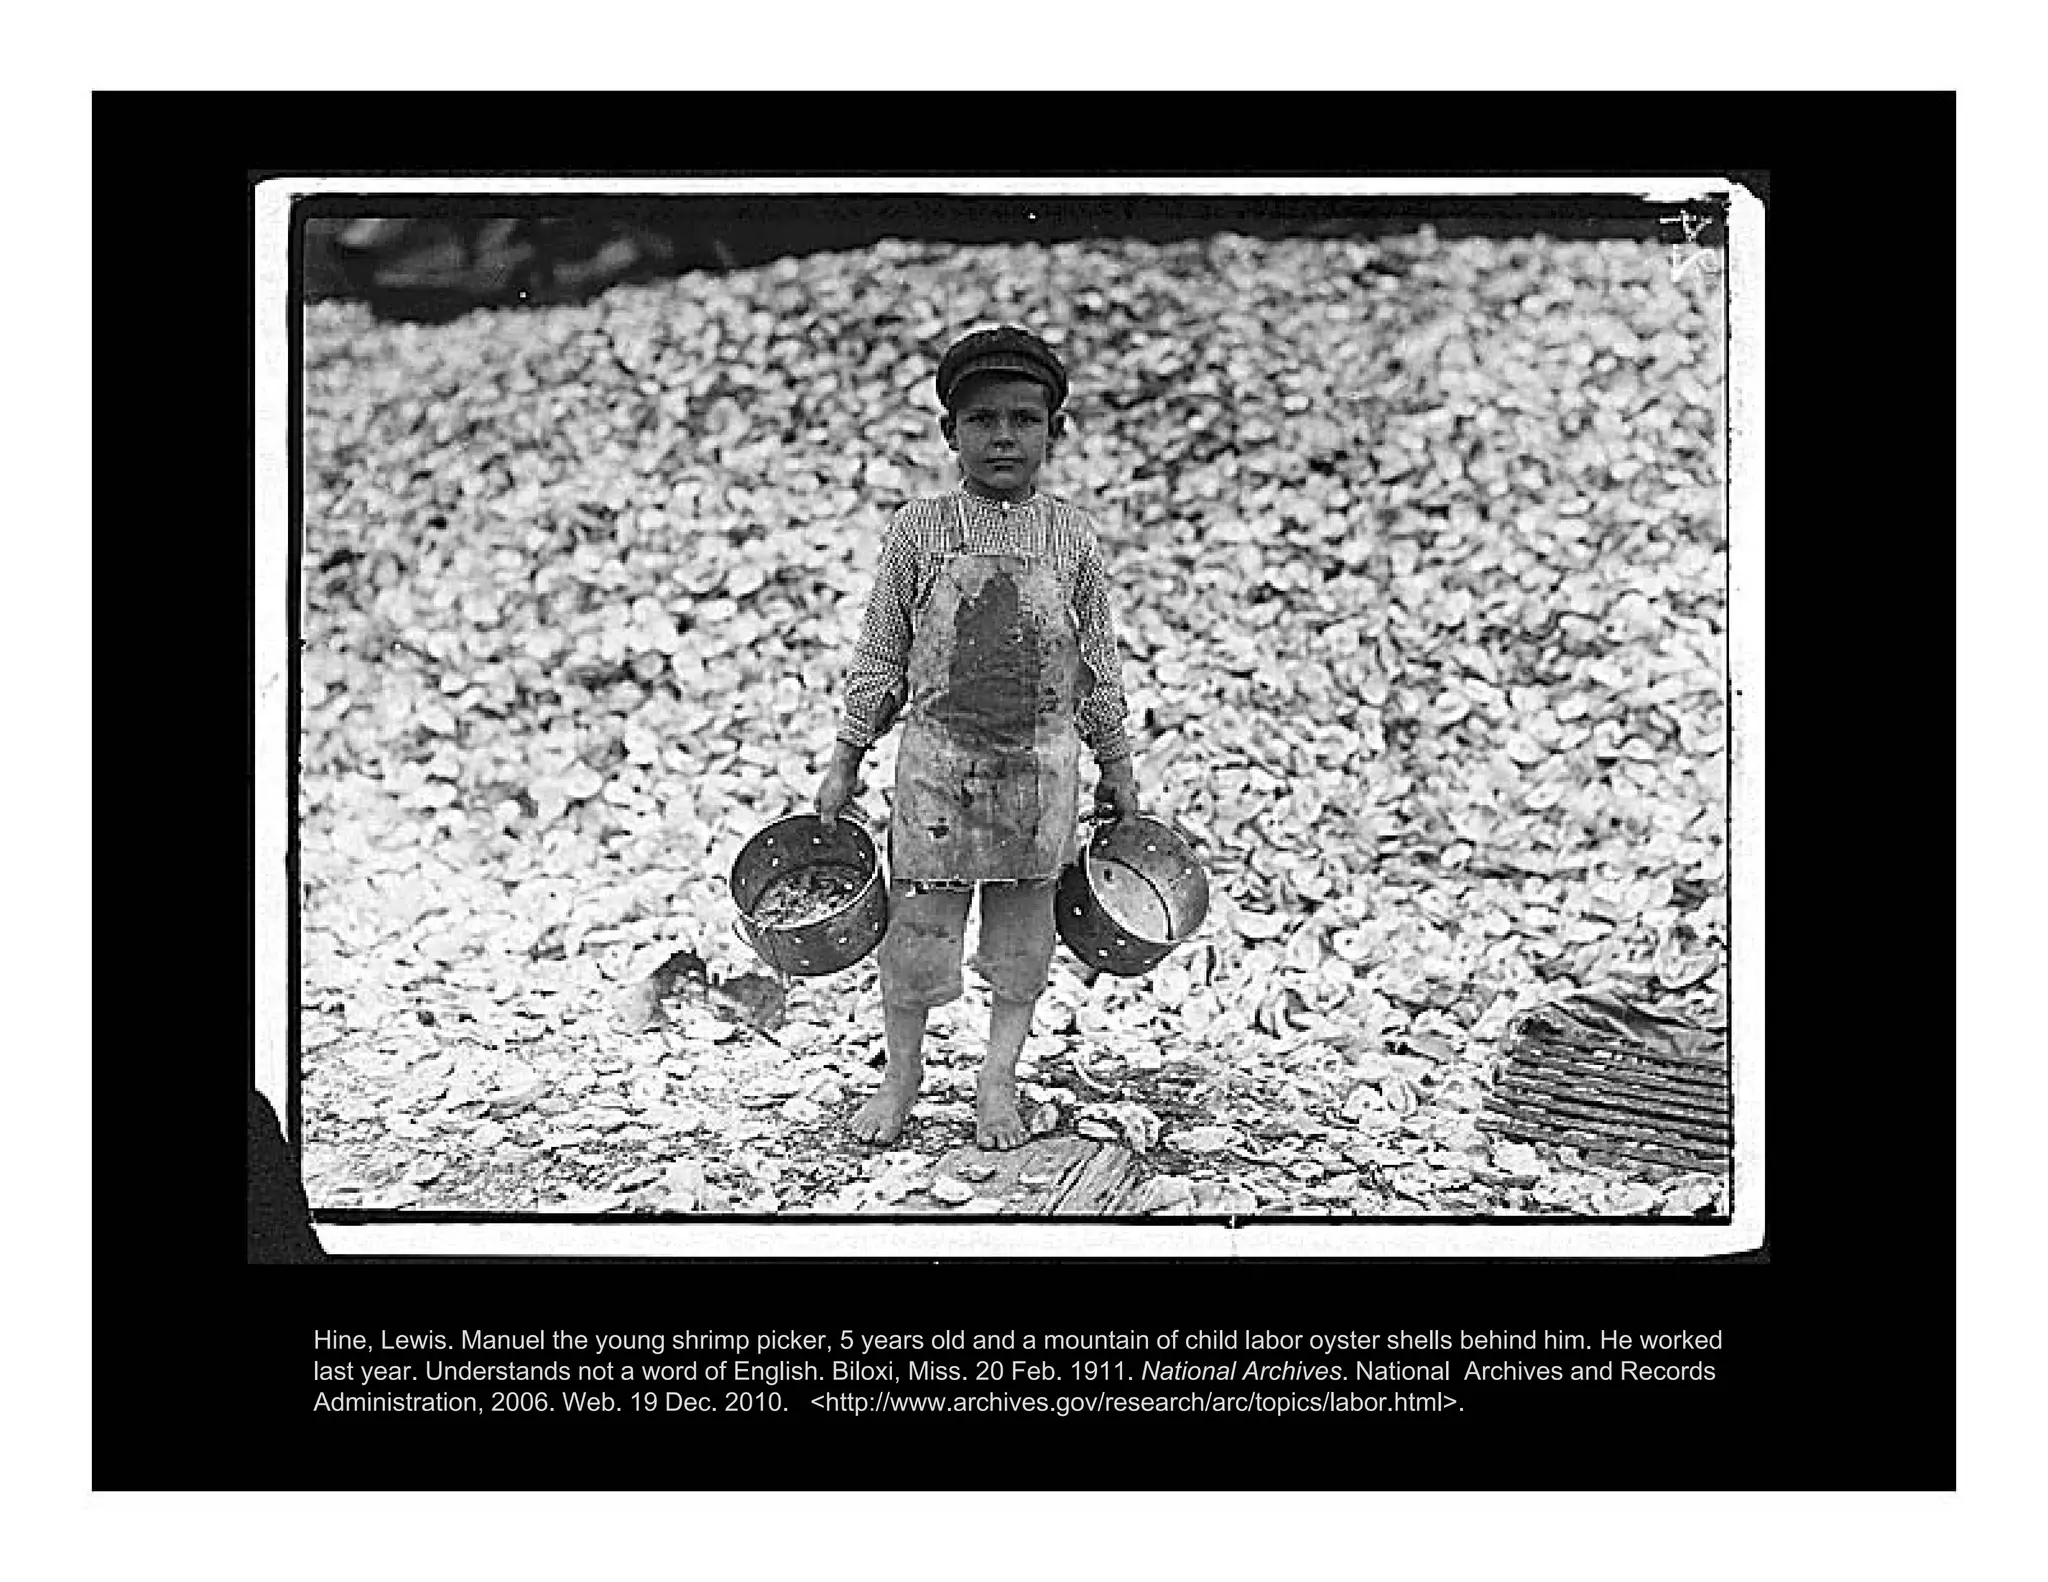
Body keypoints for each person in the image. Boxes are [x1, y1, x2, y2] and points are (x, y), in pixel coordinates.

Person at [816, 325, 1139, 1150]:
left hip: (1040, 775)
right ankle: (904, 1073)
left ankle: (998, 1080)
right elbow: (882, 652)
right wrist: (846, 760)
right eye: (984, 419)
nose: (1004, 437)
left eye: (1025, 420)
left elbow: (1096, 663)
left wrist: (1120, 770)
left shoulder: (1070, 537)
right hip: (937, 771)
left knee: (1022, 941)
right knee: (917, 935)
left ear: (1054, 432)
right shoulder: (920, 530)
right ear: (949, 432)